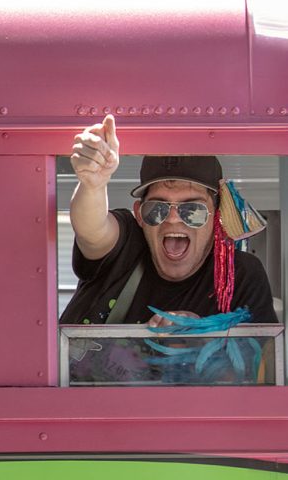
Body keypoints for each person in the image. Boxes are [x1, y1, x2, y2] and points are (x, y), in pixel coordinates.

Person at [60, 115, 278, 326]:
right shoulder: (127, 243)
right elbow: (92, 231)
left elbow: (259, 349)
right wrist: (93, 185)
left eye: (193, 209)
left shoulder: (239, 275)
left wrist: (201, 337)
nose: (173, 219)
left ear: (217, 216)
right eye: (157, 208)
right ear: (139, 214)